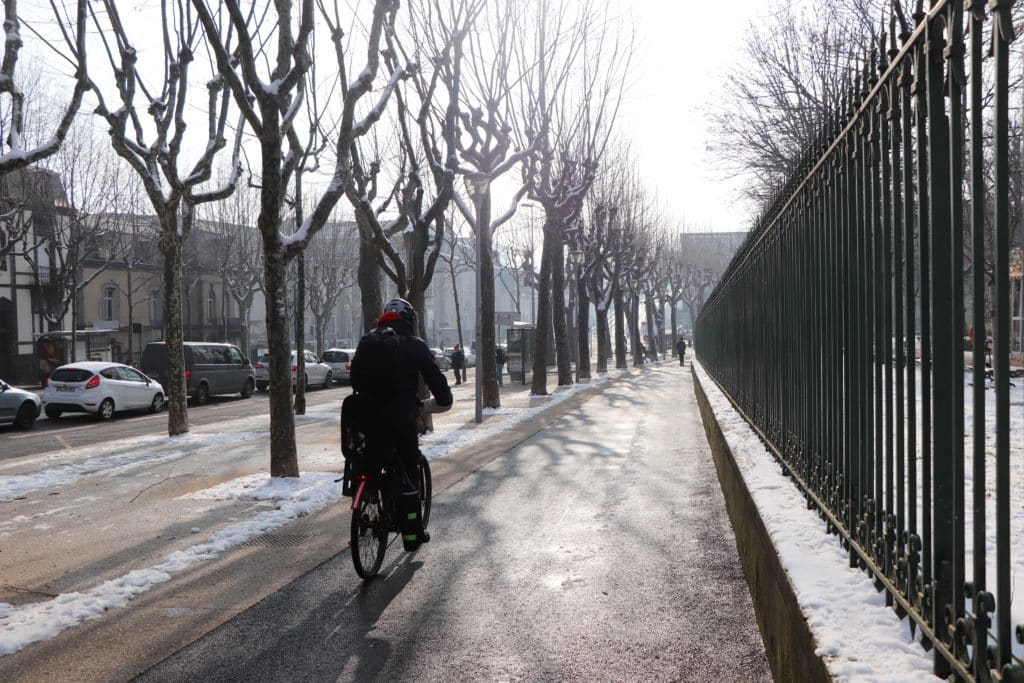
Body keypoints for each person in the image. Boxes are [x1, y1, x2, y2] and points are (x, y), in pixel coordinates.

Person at [350, 298, 453, 551]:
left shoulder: (367, 341)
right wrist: (439, 402)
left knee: (372, 461)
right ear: (410, 320)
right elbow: (438, 384)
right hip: (400, 421)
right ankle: (412, 535)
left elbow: (354, 379)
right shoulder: (415, 345)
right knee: (409, 469)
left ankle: (367, 495)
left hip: (366, 421)